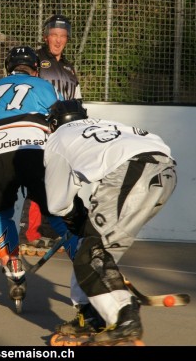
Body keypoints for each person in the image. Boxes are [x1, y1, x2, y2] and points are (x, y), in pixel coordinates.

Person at [44, 99, 177, 344]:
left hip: (132, 172)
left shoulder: (58, 139)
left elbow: (57, 204)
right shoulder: (105, 124)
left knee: (89, 256)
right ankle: (92, 314)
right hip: (166, 172)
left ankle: (124, 317)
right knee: (97, 250)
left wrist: (75, 218)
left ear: (53, 124)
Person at [0, 46, 79, 311]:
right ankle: (87, 262)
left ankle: (13, 267)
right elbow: (61, 120)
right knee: (59, 212)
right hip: (31, 150)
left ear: (8, 69)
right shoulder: (41, 85)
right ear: (35, 69)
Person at [19, 14, 82, 255]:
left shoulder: (69, 68)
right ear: (46, 37)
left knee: (59, 182)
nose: (58, 40)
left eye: (62, 36)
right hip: (41, 129)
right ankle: (29, 233)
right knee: (39, 179)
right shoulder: (36, 61)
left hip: (65, 133)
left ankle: (50, 230)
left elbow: (77, 100)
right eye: (54, 35)